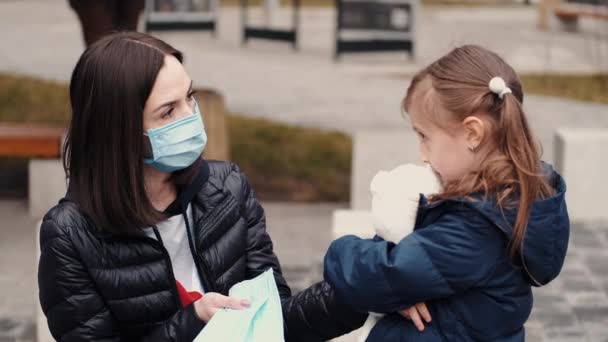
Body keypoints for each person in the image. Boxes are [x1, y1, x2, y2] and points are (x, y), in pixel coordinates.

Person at [37, 31, 366, 341]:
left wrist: (371, 287)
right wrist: (193, 323)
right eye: (168, 112)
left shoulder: (227, 187)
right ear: (117, 132)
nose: (191, 116)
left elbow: (273, 321)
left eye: (189, 96)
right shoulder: (70, 236)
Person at [323, 45, 570, 341]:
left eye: (425, 137)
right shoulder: (503, 203)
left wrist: (341, 251)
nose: (422, 154)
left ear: (473, 134)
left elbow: (382, 275)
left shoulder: (475, 226)